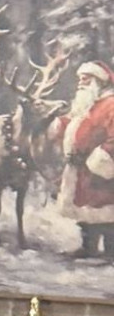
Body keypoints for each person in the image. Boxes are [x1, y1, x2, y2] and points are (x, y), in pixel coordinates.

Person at [50, 61, 114, 257]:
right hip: (81, 168)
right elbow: (77, 123)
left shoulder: (110, 104)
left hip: (101, 169)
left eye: (85, 79)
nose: (80, 83)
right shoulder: (89, 104)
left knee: (106, 210)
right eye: (80, 79)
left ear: (99, 81)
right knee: (84, 208)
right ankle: (88, 247)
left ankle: (111, 251)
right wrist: (60, 123)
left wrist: (101, 159)